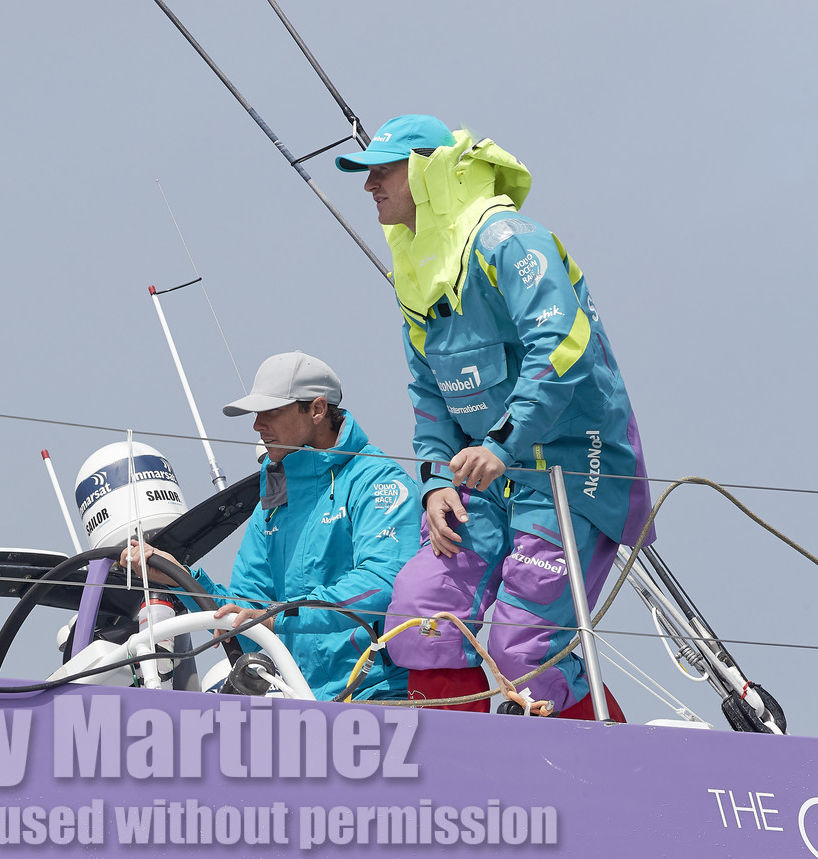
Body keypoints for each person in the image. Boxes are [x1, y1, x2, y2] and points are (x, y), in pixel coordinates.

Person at [336, 115, 652, 719]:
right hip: (486, 479)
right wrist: (433, 486)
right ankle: (464, 767)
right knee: (418, 613)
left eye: (382, 171)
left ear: (427, 171)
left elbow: (563, 347)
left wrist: (503, 443)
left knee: (520, 643)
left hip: (572, 469)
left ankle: (599, 762)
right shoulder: (418, 273)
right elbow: (429, 395)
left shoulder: (508, 239)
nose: (369, 186)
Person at [121, 352, 421, 700]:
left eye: (270, 412)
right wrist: (182, 579)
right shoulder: (276, 497)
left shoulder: (379, 481)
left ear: (318, 409)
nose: (256, 425)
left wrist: (275, 617)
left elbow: (381, 585)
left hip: (381, 696)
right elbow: (249, 614)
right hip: (304, 705)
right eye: (256, 414)